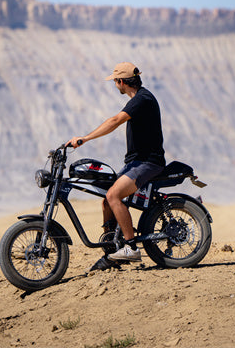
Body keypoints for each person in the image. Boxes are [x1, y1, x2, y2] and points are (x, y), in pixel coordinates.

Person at [68, 62, 165, 262]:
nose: (114, 85)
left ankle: (131, 248)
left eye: (115, 81)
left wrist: (84, 139)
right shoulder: (139, 99)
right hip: (136, 162)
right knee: (107, 201)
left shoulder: (142, 98)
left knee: (113, 195)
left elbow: (114, 121)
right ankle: (112, 245)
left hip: (147, 162)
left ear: (122, 82)